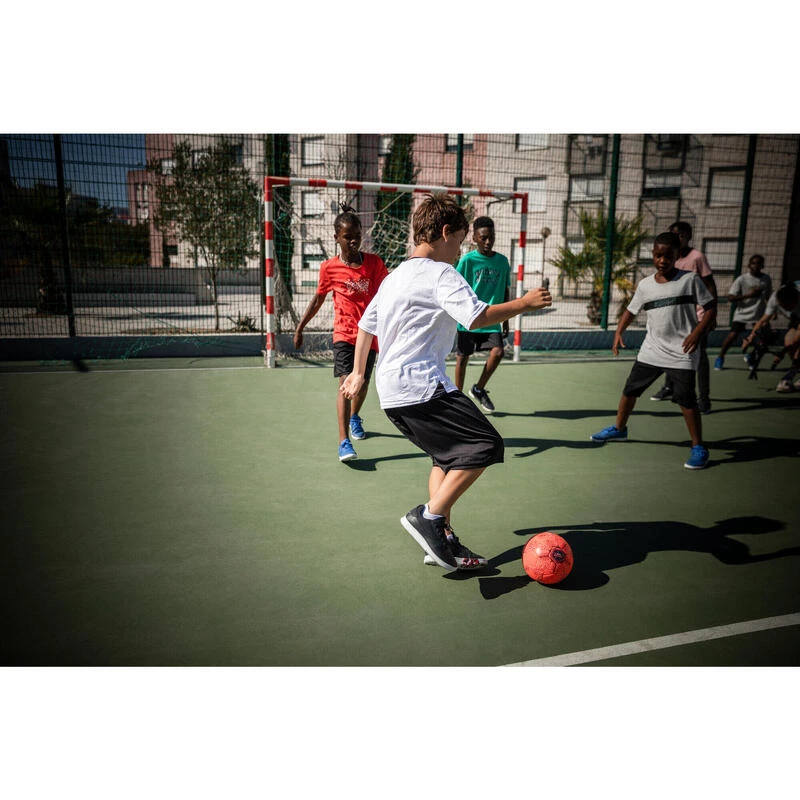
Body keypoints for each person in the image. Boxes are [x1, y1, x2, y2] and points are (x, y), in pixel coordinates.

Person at [340, 194, 552, 571]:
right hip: (421, 386)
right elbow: (475, 317)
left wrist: (359, 373)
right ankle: (429, 517)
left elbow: (366, 325)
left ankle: (442, 539)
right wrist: (524, 304)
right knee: (486, 444)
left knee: (446, 458)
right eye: (459, 240)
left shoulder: (395, 276)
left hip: (392, 392)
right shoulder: (441, 274)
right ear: (444, 233)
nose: (459, 250)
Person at [590, 231, 716, 470]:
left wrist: (696, 333)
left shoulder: (690, 280)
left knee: (686, 400)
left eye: (668, 256)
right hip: (652, 349)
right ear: (653, 255)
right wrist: (619, 332)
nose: (662, 260)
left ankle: (698, 446)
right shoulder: (646, 285)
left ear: (677, 255)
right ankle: (619, 429)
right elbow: (631, 310)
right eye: (658, 255)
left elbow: (710, 308)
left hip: (682, 351)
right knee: (630, 390)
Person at [293, 204, 389, 462]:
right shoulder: (329, 268)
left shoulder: (374, 263)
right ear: (336, 238)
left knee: (363, 382)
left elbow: (389, 294)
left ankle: (355, 416)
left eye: (357, 234)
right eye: (348, 236)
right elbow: (318, 299)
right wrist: (301, 327)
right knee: (347, 383)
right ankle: (343, 441)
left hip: (370, 335)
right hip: (345, 334)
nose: (354, 240)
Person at [650, 221, 717, 413]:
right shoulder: (668, 257)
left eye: (681, 235)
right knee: (669, 351)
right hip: (674, 315)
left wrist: (712, 314)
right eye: (674, 234)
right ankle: (669, 388)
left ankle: (704, 399)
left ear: (688, 236)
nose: (678, 238)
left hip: (696, 317)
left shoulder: (697, 257)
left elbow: (709, 284)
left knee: (698, 357)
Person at [452, 216, 511, 414]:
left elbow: (505, 291)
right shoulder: (468, 260)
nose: (488, 242)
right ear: (475, 238)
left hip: (491, 317)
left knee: (499, 352)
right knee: (462, 358)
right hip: (469, 318)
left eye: (491, 237)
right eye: (483, 237)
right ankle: (458, 400)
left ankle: (478, 388)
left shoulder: (502, 262)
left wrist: (506, 320)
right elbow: (456, 285)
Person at [715, 255, 772, 370]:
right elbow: (731, 298)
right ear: (749, 265)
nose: (756, 266)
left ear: (762, 265)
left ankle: (751, 357)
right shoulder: (742, 279)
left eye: (759, 263)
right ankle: (720, 357)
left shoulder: (766, 279)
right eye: (753, 263)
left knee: (765, 339)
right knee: (732, 336)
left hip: (758, 315)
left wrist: (771, 312)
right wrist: (749, 295)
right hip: (742, 314)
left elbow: (768, 297)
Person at [741, 282, 800, 391]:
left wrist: (782, 353)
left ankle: (789, 376)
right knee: (788, 342)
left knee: (794, 344)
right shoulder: (775, 298)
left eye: (788, 307)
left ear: (796, 301)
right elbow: (763, 320)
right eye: (783, 307)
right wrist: (749, 338)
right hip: (797, 318)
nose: (786, 310)